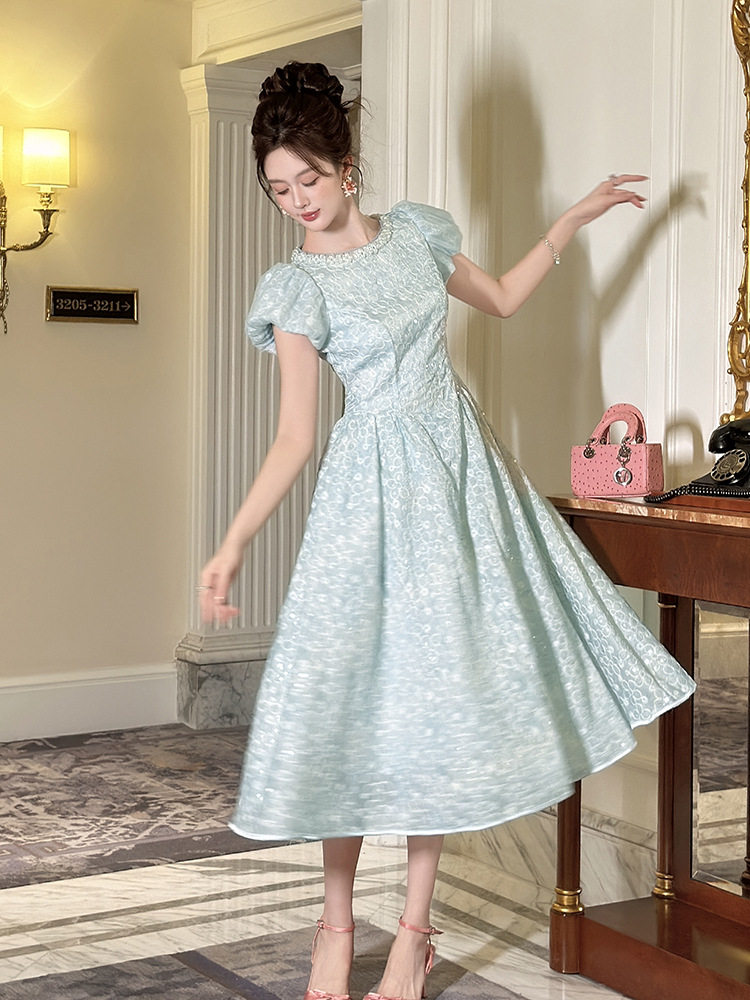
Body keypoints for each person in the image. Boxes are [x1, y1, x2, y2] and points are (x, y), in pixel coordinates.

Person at [199, 61, 695, 1000]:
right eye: (279, 189)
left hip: (463, 487)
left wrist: (570, 224)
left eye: (309, 179)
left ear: (347, 166)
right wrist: (233, 545)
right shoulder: (297, 288)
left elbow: (501, 297)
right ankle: (335, 928)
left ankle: (415, 932)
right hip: (370, 500)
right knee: (346, 710)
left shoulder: (418, 235)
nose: (298, 201)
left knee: (438, 709)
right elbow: (295, 436)